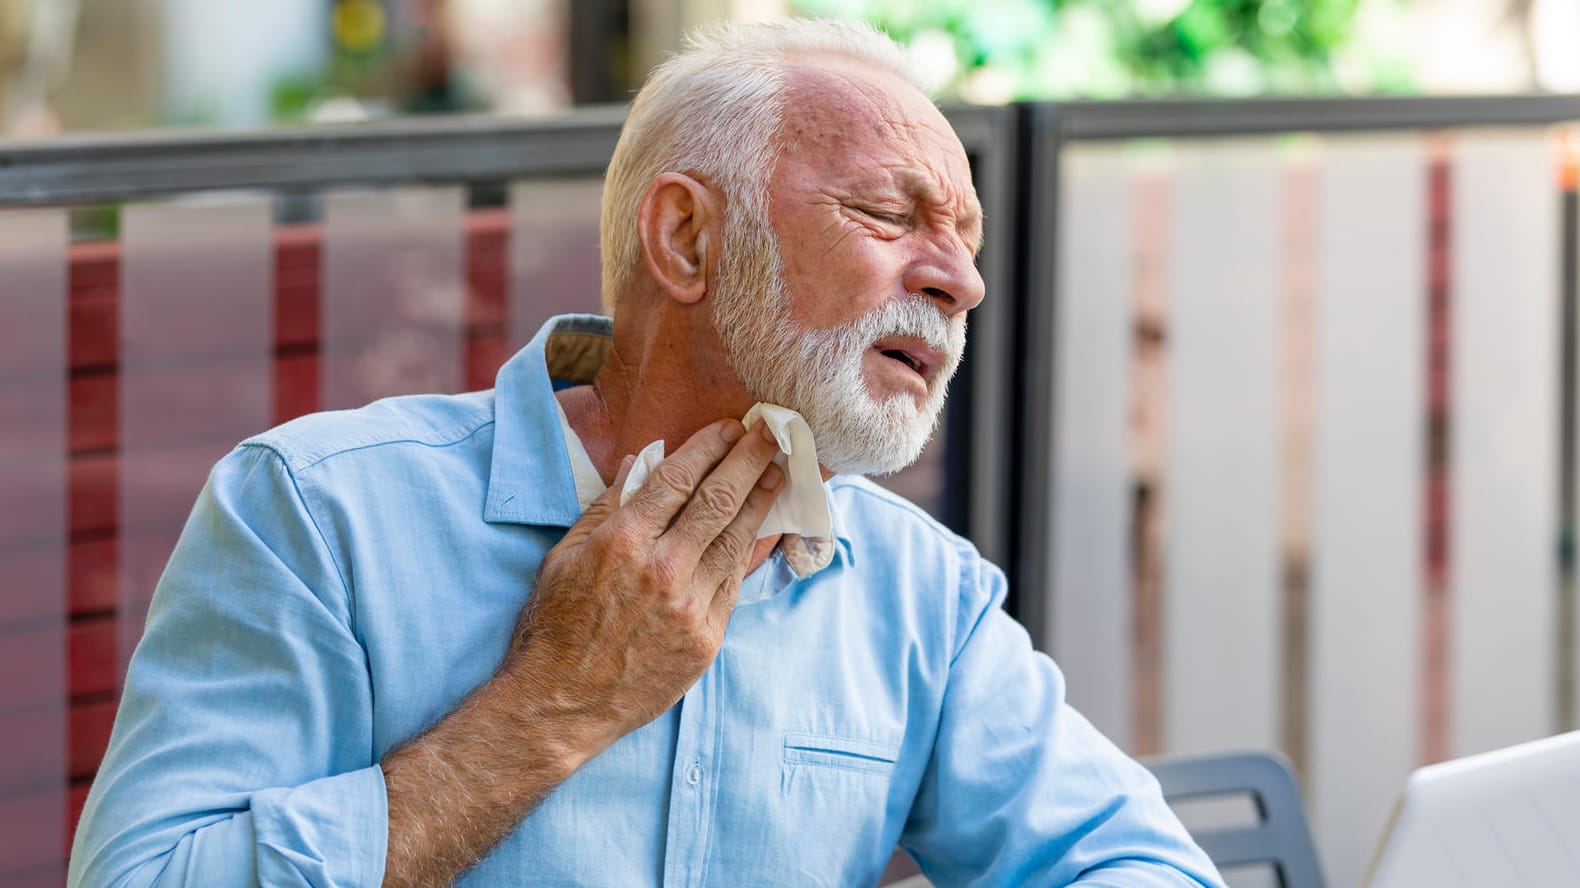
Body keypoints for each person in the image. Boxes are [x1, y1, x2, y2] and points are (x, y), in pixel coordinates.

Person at [69, 19, 1222, 888]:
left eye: (965, 240)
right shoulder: (319, 515)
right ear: (685, 238)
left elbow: (1141, 866)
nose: (959, 280)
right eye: (888, 215)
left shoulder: (921, 595)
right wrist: (551, 708)